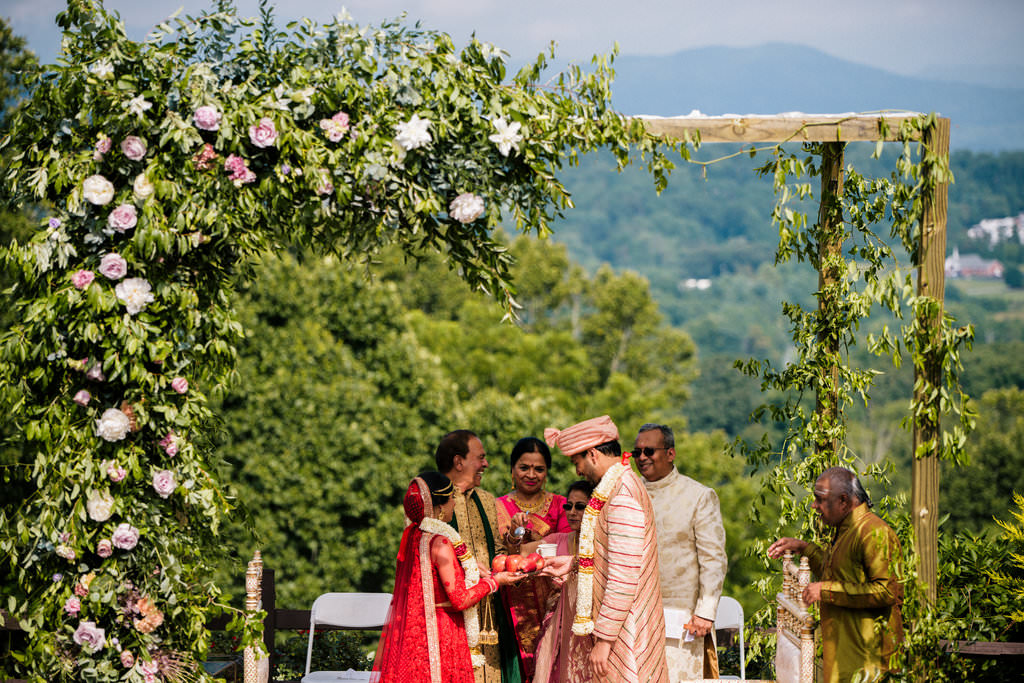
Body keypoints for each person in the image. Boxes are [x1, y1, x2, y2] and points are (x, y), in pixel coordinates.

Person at [542, 415, 669, 683]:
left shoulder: (622, 495)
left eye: (577, 462)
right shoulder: (615, 488)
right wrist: (572, 564)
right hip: (621, 627)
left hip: (627, 631)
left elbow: (623, 575)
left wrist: (605, 640)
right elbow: (611, 557)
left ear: (592, 454)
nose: (578, 472)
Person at [373, 472, 523, 683]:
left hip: (416, 636)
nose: (454, 502)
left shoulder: (412, 536)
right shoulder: (440, 543)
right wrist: (495, 582)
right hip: (442, 635)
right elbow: (459, 599)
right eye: (451, 498)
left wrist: (465, 570)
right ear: (441, 506)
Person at [768, 467, 904, 683]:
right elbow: (838, 574)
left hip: (867, 663)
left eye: (819, 499)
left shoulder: (873, 532)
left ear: (843, 500)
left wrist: (826, 590)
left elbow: (886, 591)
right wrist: (804, 548)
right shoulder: (846, 529)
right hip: (844, 658)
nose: (814, 506)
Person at [634, 423, 727, 682]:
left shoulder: (698, 496)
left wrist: (705, 611)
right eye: (637, 452)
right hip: (633, 617)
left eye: (649, 451)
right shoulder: (628, 494)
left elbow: (714, 559)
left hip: (682, 618)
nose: (642, 457)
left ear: (670, 454)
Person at [436, 430, 524, 683]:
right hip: (451, 615)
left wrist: (515, 540)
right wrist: (465, 565)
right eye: (480, 457)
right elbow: (421, 550)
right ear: (458, 462)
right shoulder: (433, 500)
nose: (486, 464)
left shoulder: (486, 500)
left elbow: (499, 552)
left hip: (490, 615)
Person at [496, 437, 572, 680]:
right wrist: (515, 535)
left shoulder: (563, 505)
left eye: (539, 469)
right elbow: (501, 555)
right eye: (524, 467)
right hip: (513, 600)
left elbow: (567, 545)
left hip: (554, 597)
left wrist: (530, 538)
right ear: (512, 470)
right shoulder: (498, 507)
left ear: (547, 472)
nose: (532, 474)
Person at [527, 480, 594, 683]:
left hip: (589, 629)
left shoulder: (602, 545)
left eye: (580, 507)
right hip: (556, 627)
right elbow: (521, 554)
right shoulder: (559, 540)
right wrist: (516, 534)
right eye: (568, 506)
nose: (572, 512)